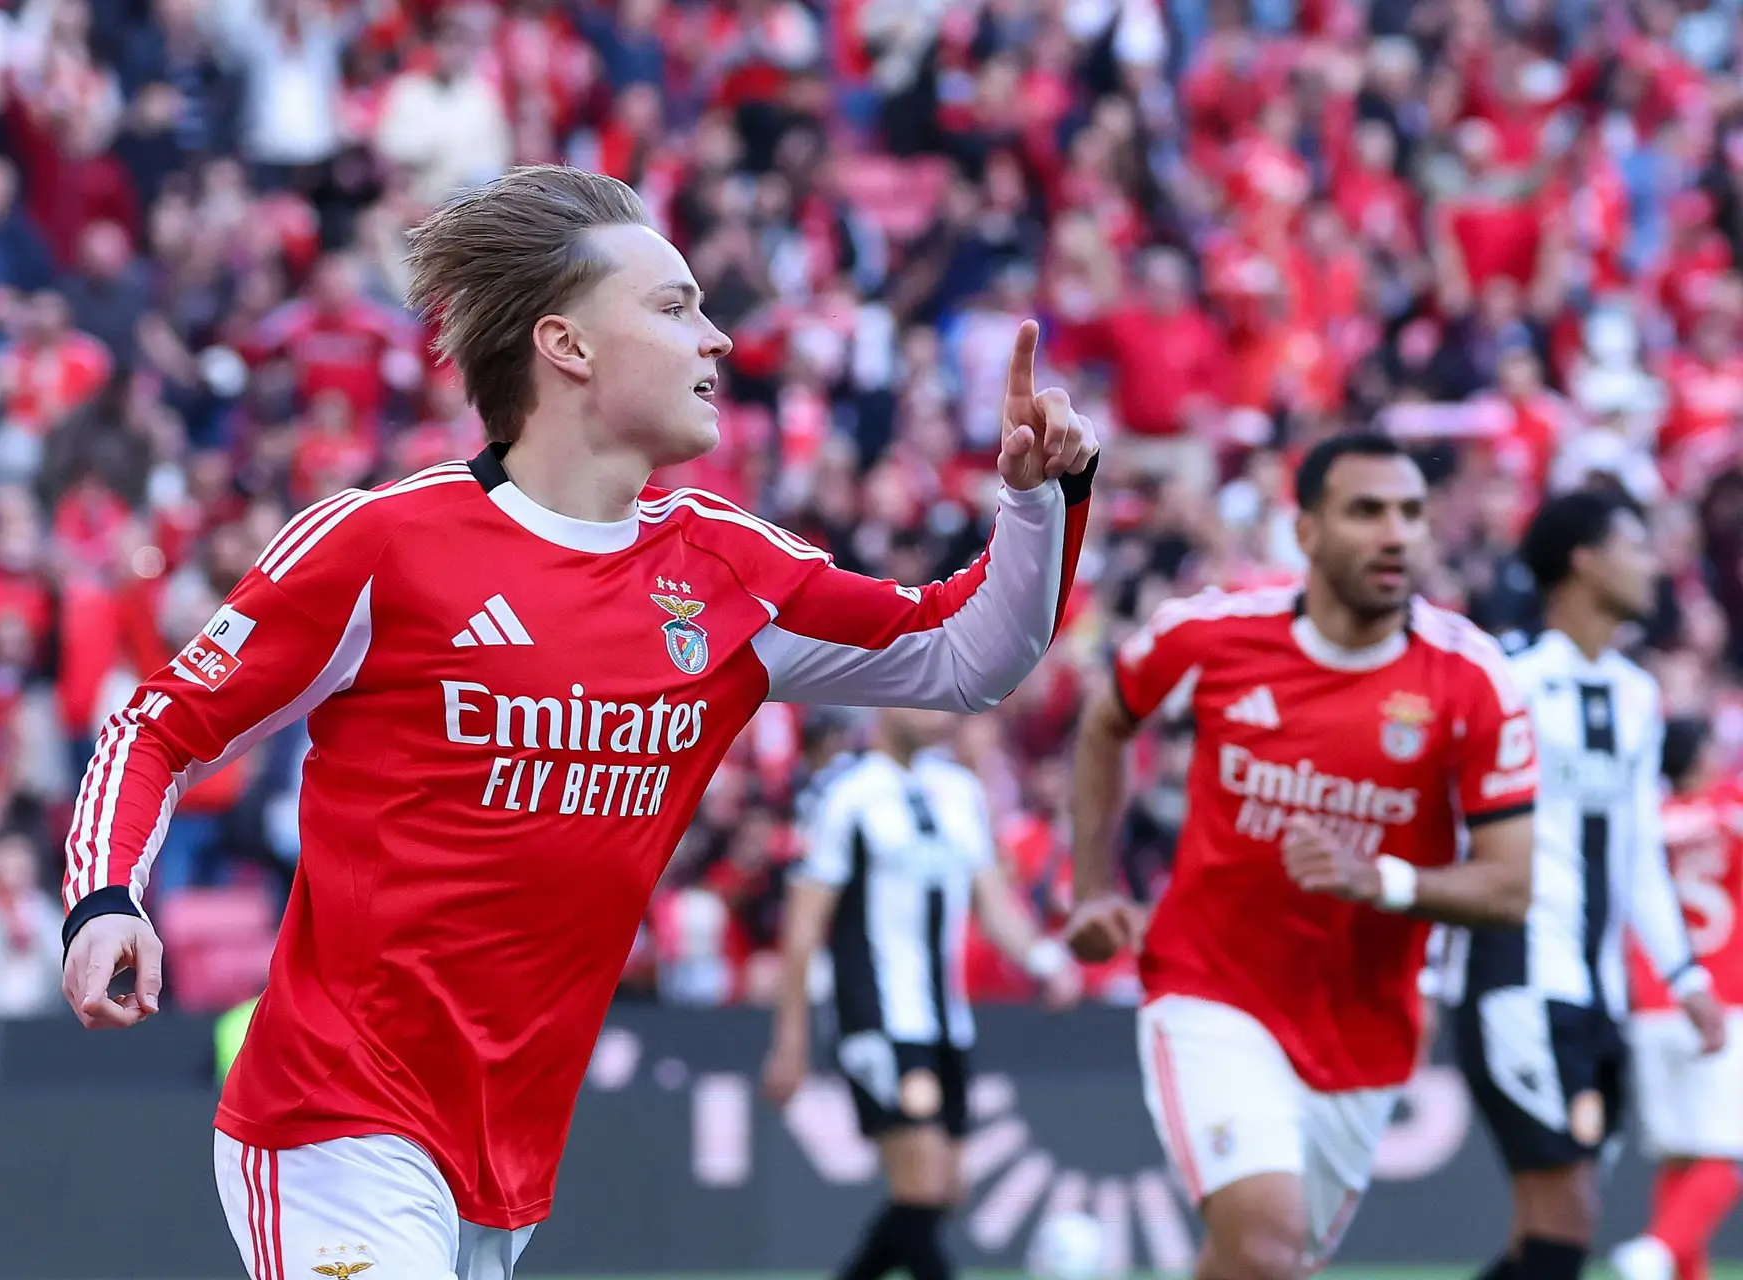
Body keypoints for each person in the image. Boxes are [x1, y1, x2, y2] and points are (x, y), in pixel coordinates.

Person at [55, 166, 1099, 1280]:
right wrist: (106, 897)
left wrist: (1040, 502)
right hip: (332, 1118)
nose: (719, 340)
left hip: (508, 1159)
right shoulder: (381, 544)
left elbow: (965, 654)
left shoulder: (727, 570)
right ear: (567, 346)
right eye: (673, 306)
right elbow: (157, 727)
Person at [1065, 432, 1538, 1280]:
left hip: (1364, 1029)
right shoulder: (1211, 636)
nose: (1395, 534)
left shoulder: (1476, 683)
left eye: (1410, 514)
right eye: (1366, 512)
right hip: (1211, 989)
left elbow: (1509, 888)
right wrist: (1093, 887)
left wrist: (1380, 880)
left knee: (1264, 1264)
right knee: (1269, 1246)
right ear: (1308, 532)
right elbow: (1106, 721)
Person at [1454, 488, 1725, 1280]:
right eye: (1635, 545)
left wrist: (1683, 974)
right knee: (1566, 1220)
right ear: (1584, 561)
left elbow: (1639, 848)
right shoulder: (1508, 679)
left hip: (1603, 999)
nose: (1653, 565)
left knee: (1552, 1231)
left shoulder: (1638, 698)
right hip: (1519, 981)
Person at [761, 705, 1084, 1280]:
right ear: (884, 701)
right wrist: (791, 1042)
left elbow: (993, 903)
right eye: (918, 696)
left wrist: (1047, 961)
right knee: (925, 1181)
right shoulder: (845, 794)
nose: (936, 710)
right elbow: (804, 927)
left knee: (943, 1190)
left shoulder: (959, 790)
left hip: (947, 1021)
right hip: (880, 1019)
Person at [1611, 717, 1743, 1280]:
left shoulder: (1646, 821)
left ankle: (1673, 1265)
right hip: (1722, 1000)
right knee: (1722, 1158)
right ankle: (1657, 1250)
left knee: (1679, 1158)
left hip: (1653, 998)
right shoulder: (1732, 809)